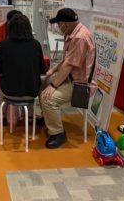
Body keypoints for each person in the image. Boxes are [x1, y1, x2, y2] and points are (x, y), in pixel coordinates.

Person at [40, 8, 94, 149]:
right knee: (44, 82)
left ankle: (58, 134)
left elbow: (69, 65)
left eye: (58, 24)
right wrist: (53, 70)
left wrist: (54, 86)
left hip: (80, 85)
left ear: (64, 24)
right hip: (71, 77)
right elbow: (67, 60)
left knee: (47, 98)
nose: (58, 27)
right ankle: (48, 118)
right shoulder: (72, 33)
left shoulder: (79, 38)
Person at [0, 14, 45, 130]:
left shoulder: (3, 46)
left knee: (2, 85)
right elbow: (42, 70)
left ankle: (2, 115)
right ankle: (31, 116)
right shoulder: (36, 45)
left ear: (10, 28)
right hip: (32, 92)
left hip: (9, 92)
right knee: (33, 82)